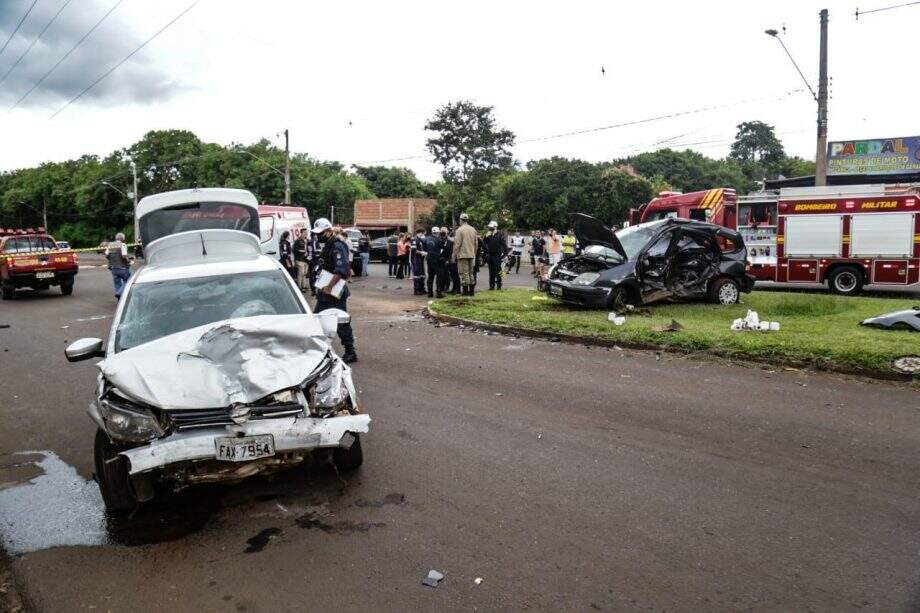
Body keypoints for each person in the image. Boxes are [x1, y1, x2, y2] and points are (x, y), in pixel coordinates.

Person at [311, 218, 357, 363]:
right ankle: (318, 350)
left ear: (329, 231)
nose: (318, 236)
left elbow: (341, 269)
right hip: (325, 291)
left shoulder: (337, 245)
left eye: (321, 233)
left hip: (334, 291)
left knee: (340, 321)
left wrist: (329, 286)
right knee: (317, 319)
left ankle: (350, 351)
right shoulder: (328, 245)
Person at [483, 220, 508, 290]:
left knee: (498, 271)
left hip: (497, 255)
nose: (490, 228)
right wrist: (485, 237)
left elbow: (504, 245)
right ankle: (491, 286)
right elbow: (484, 244)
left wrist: (505, 255)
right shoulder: (488, 235)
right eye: (489, 227)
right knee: (491, 272)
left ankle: (499, 286)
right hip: (490, 255)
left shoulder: (500, 235)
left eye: (491, 227)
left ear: (495, 227)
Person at [105, 233, 131, 299]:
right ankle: (119, 293)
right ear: (123, 239)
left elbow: (106, 255)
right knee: (127, 280)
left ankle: (119, 297)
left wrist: (111, 260)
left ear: (116, 238)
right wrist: (129, 261)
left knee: (117, 283)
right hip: (122, 267)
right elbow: (124, 255)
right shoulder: (123, 245)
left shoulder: (110, 245)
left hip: (113, 268)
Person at [425, 226, 445, 298]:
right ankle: (438, 293)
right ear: (438, 232)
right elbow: (443, 248)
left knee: (430, 277)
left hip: (429, 260)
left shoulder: (426, 239)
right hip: (437, 260)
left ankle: (430, 293)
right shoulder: (439, 240)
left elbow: (425, 249)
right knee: (439, 277)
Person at [440, 227, 460, 294]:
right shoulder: (440, 240)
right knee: (445, 275)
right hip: (444, 260)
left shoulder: (451, 240)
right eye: (442, 231)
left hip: (452, 260)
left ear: (447, 232)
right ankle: (449, 288)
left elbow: (452, 250)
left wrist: (449, 259)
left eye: (444, 231)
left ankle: (457, 289)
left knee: (454, 275)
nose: (443, 232)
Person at [410, 228, 428, 295]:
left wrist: (424, 252)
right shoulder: (414, 239)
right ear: (420, 233)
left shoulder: (420, 239)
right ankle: (417, 290)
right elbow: (414, 250)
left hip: (421, 259)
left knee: (422, 275)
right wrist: (421, 252)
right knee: (417, 275)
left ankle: (422, 289)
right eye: (423, 233)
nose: (423, 235)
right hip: (416, 259)